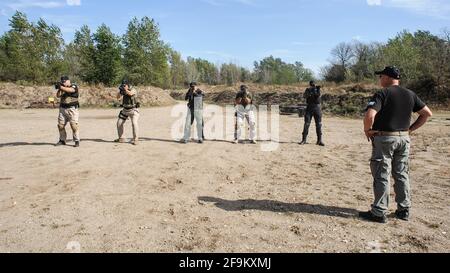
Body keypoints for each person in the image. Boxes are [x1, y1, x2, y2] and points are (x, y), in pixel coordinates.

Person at [359, 66, 433, 223]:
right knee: (401, 173)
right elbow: (427, 113)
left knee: (381, 174)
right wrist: (410, 129)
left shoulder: (382, 93)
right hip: (404, 138)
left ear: (386, 77)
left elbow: (369, 115)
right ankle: (404, 209)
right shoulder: (410, 94)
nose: (380, 79)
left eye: (381, 76)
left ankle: (379, 212)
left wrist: (367, 130)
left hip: (385, 138)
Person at [55, 76, 80, 147]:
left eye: (64, 81)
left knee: (74, 125)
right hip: (63, 109)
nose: (63, 83)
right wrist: (60, 89)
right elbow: (58, 96)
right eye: (62, 82)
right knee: (60, 125)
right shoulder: (62, 88)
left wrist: (61, 87)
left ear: (68, 81)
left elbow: (71, 90)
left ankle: (76, 140)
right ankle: (62, 140)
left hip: (72, 109)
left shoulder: (74, 86)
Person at [115, 80, 140, 146]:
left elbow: (131, 94)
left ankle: (136, 139)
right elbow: (118, 98)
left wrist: (125, 90)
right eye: (123, 85)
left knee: (134, 123)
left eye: (124, 85)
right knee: (119, 123)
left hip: (133, 110)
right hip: (125, 110)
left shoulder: (133, 89)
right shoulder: (123, 90)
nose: (123, 86)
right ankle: (121, 138)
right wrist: (120, 91)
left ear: (128, 85)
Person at [300, 80, 324, 146]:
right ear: (310, 84)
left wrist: (317, 89)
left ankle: (319, 140)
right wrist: (310, 91)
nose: (313, 85)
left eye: (314, 84)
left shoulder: (318, 89)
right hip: (309, 107)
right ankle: (304, 140)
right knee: (306, 124)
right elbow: (304, 96)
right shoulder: (307, 90)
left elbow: (318, 95)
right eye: (312, 84)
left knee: (318, 125)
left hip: (317, 108)